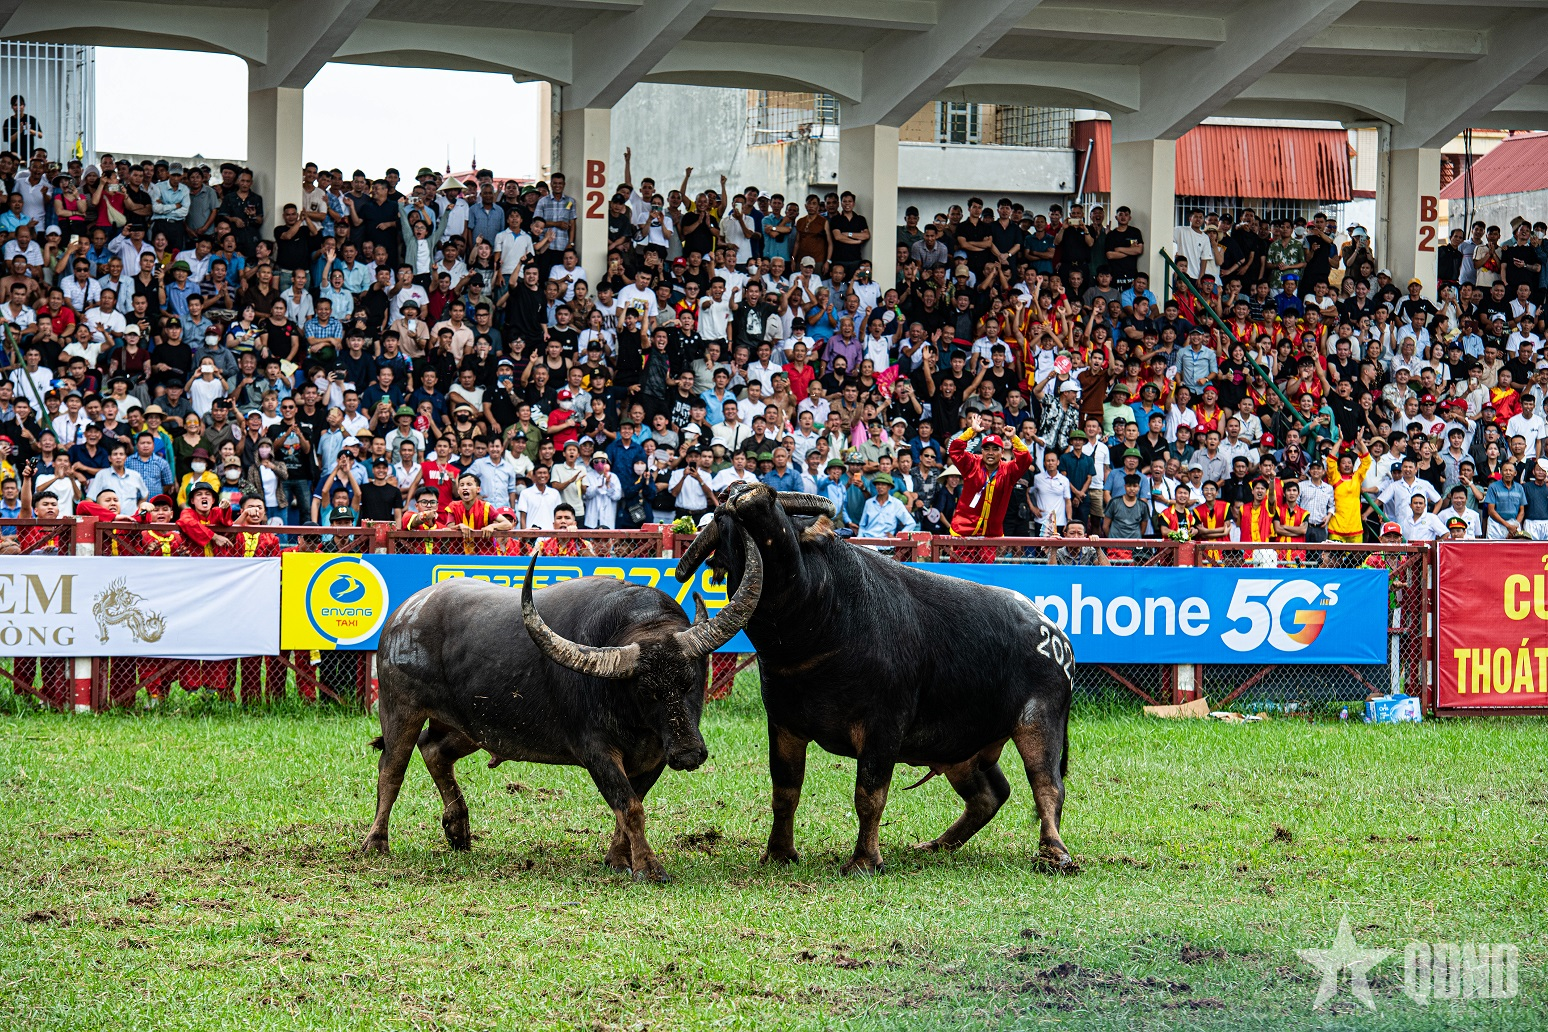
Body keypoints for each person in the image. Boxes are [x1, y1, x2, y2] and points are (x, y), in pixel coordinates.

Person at [945, 412, 1034, 537]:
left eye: (995, 449)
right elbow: (954, 450)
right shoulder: (972, 464)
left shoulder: (1009, 471)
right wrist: (971, 431)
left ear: (1002, 452)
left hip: (991, 534)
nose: (990, 453)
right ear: (981, 451)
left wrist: (1013, 438)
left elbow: (1026, 460)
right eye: (986, 449)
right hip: (963, 531)